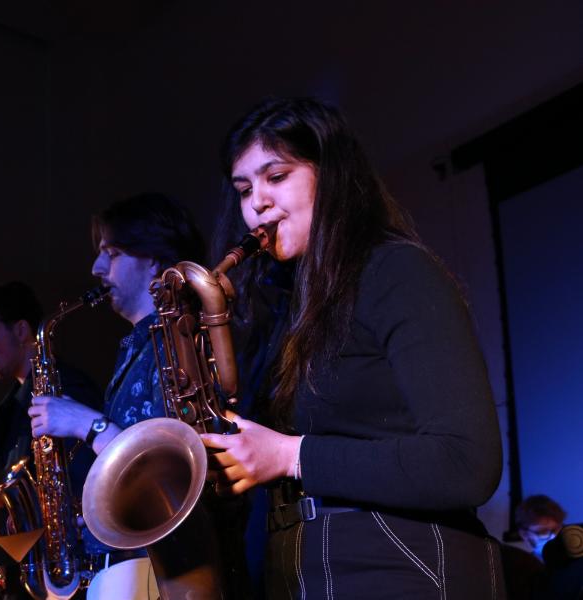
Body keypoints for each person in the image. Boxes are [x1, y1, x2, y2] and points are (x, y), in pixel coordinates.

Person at [200, 97, 506, 599]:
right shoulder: (288, 308)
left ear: (332, 176)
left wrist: (290, 456)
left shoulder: (397, 271)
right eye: (244, 189)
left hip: (401, 566)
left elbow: (467, 462)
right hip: (307, 570)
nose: (256, 203)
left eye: (276, 176)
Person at [28, 193, 211, 599]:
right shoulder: (138, 343)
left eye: (112, 253)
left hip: (162, 569)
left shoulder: (177, 340)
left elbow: (167, 470)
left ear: (154, 259)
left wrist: (86, 423)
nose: (96, 268)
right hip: (133, 566)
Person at [0, 281, 103, 597]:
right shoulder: (16, 402)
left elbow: (80, 487)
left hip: (67, 575)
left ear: (21, 331)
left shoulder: (66, 389)